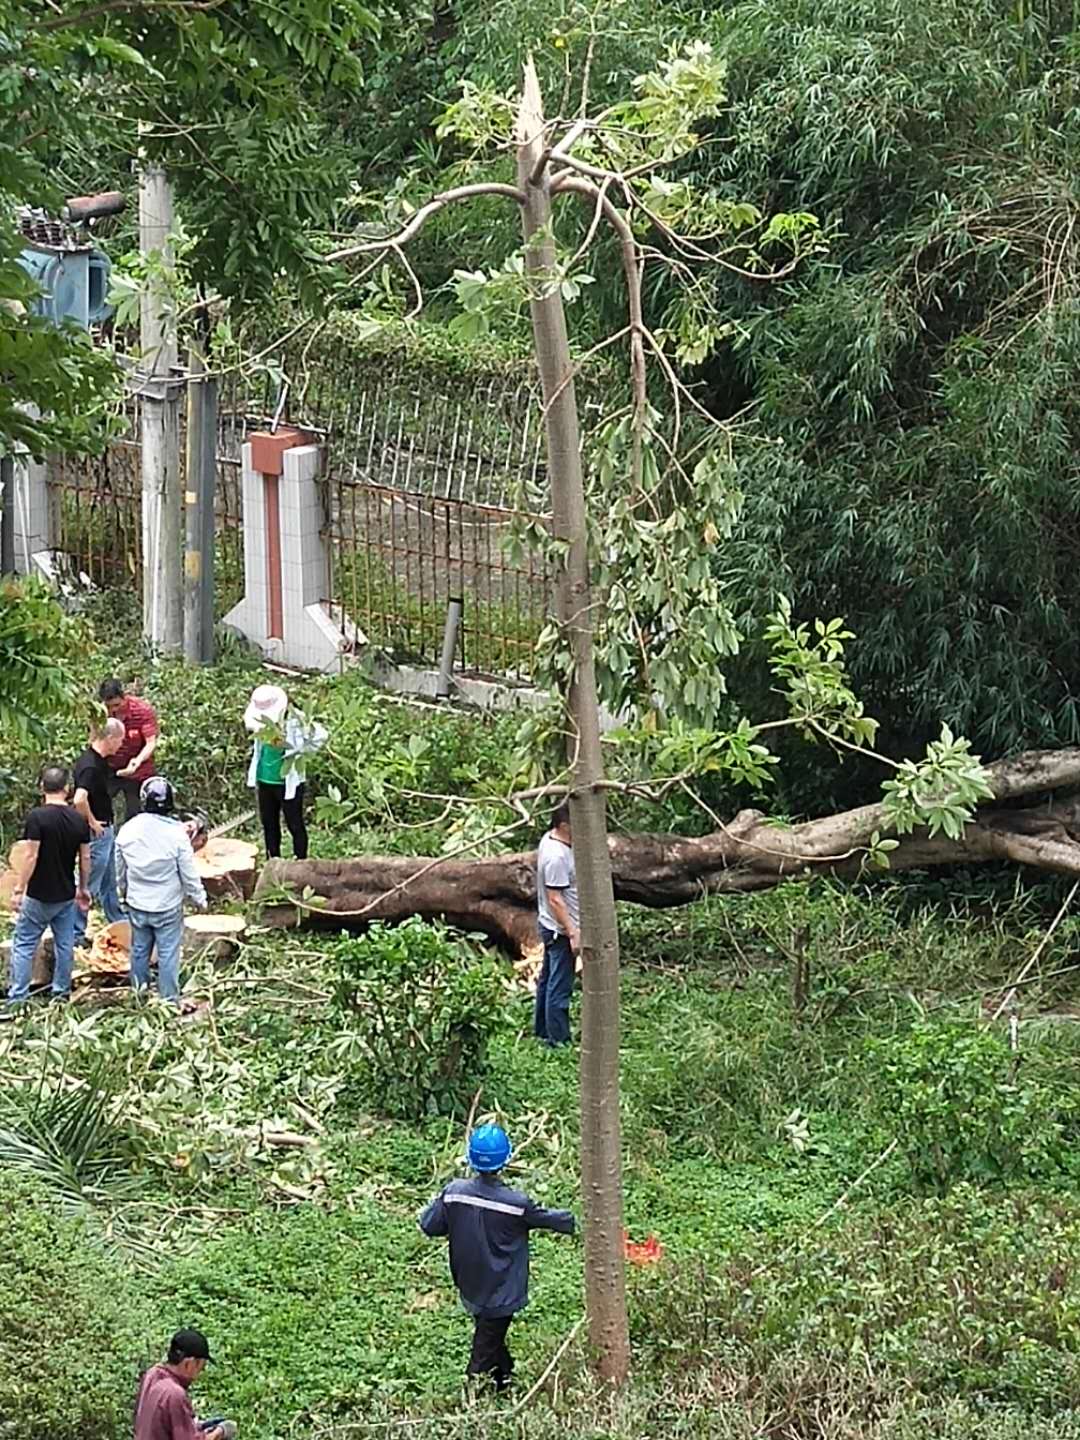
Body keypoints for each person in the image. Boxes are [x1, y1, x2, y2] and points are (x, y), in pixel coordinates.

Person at [419, 1124, 575, 1393]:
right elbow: (551, 1220)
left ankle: (504, 1381)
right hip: (502, 1291)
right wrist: (577, 1220)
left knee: (490, 1334)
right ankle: (474, 1403)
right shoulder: (516, 1203)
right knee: (483, 1351)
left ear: (470, 1158)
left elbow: (430, 1225)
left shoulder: (454, 1192)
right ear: (507, 1159)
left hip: (470, 1284)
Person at [5, 766, 91, 1010]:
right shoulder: (78, 819)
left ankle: (18, 999)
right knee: (65, 944)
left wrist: (20, 889)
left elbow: (31, 856)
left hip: (39, 894)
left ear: (42, 788)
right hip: (65, 894)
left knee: (23, 944)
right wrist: (83, 888)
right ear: (67, 789)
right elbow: (85, 859)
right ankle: (61, 994)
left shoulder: (37, 817)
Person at [116, 777, 207, 1005]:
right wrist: (199, 898)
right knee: (168, 953)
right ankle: (169, 1000)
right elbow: (188, 873)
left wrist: (123, 893)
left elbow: (120, 870)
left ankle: (139, 994)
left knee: (139, 950)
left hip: (137, 902)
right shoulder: (177, 836)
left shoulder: (127, 830)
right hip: (167, 906)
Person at [243, 684, 326, 861]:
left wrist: (297, 749)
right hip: (265, 779)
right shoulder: (260, 721)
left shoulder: (296, 719)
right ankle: (273, 862)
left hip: (289, 782)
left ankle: (300, 863)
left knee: (294, 824)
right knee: (269, 825)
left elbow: (320, 736)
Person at [72, 717, 127, 949]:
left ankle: (119, 920)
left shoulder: (100, 762)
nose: (121, 745)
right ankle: (74, 931)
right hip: (97, 833)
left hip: (107, 830)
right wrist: (93, 822)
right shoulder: (90, 766)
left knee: (108, 882)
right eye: (120, 740)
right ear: (110, 737)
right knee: (88, 883)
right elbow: (79, 799)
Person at [133, 1328, 236, 1440]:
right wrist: (220, 1432)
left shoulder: (151, 1375)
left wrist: (197, 1425)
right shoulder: (174, 1394)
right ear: (189, 1364)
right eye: (201, 1367)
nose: (198, 1375)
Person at [534, 803, 579, 1047]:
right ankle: (558, 1040)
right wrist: (572, 932)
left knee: (548, 980)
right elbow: (555, 898)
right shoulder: (557, 856)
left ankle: (542, 1031)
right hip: (559, 929)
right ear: (563, 825)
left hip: (551, 925)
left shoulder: (551, 840)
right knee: (559, 987)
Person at [100, 677, 159, 822]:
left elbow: (150, 742)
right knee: (99, 805)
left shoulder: (142, 710)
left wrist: (137, 761)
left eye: (116, 705)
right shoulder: (101, 712)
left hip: (137, 770)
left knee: (135, 814)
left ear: (124, 697)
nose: (113, 710)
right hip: (110, 767)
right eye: (109, 706)